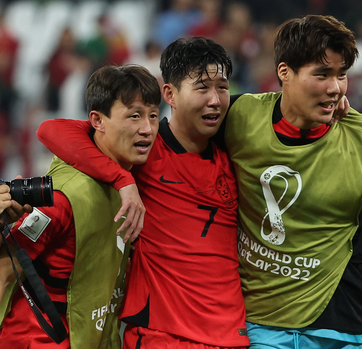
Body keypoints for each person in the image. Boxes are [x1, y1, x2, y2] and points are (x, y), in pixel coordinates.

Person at [38, 16, 362, 349]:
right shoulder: (215, 129)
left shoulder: (357, 137)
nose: (335, 87)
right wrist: (121, 181)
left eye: (342, 76)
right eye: (322, 74)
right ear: (283, 73)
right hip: (236, 332)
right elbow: (63, 131)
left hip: (327, 327)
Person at [38, 37, 250, 349]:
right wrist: (123, 180)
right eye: (202, 88)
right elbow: (51, 130)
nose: (216, 99)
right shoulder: (144, 152)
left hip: (232, 336)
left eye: (222, 87)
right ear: (170, 94)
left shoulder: (235, 148)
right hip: (164, 336)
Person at [0, 64, 161, 348]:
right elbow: (5, 269)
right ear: (97, 121)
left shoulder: (131, 175)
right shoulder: (63, 196)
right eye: (134, 116)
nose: (147, 129)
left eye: (153, 116)